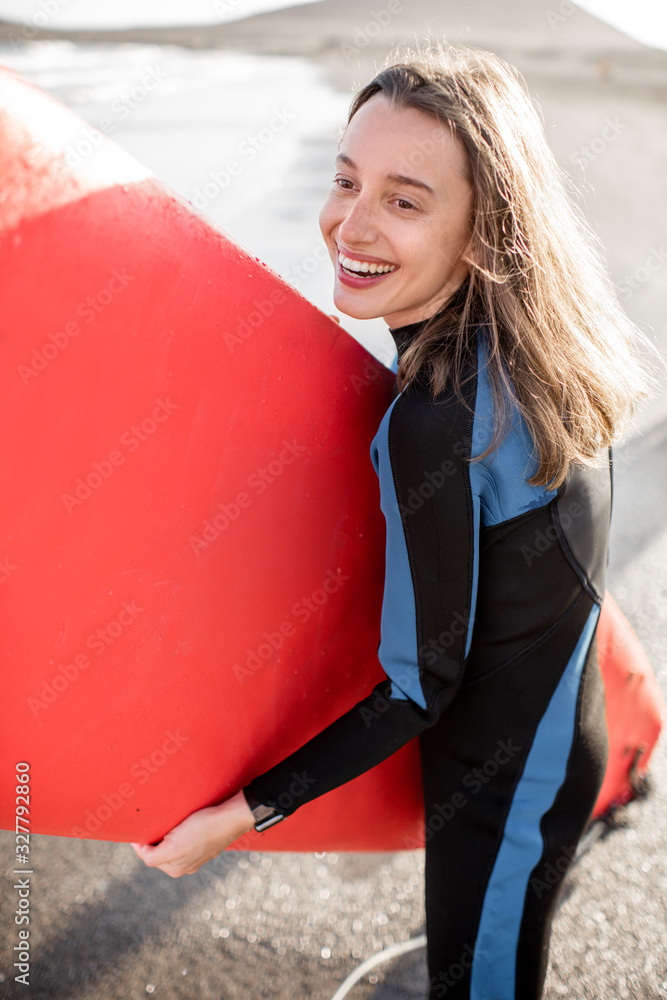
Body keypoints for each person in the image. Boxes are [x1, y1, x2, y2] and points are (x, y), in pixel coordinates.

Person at [132, 41, 654, 999]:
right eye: (345, 180)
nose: (350, 224)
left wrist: (241, 814)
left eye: (404, 200)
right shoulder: (549, 351)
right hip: (560, 745)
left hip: (502, 797)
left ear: (486, 234)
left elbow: (422, 687)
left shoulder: (434, 422)